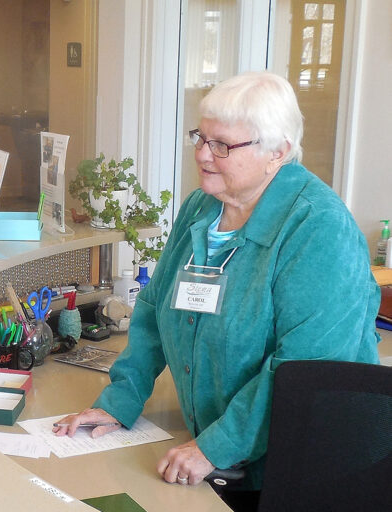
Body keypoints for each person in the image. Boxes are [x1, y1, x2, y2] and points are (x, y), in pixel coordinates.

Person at [54, 71, 380, 511]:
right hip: (217, 457)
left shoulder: (319, 228)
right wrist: (120, 400)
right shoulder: (201, 207)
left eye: (222, 145)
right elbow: (152, 311)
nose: (203, 155)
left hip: (301, 466)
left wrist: (215, 448)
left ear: (277, 152)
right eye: (200, 138)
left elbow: (304, 370)